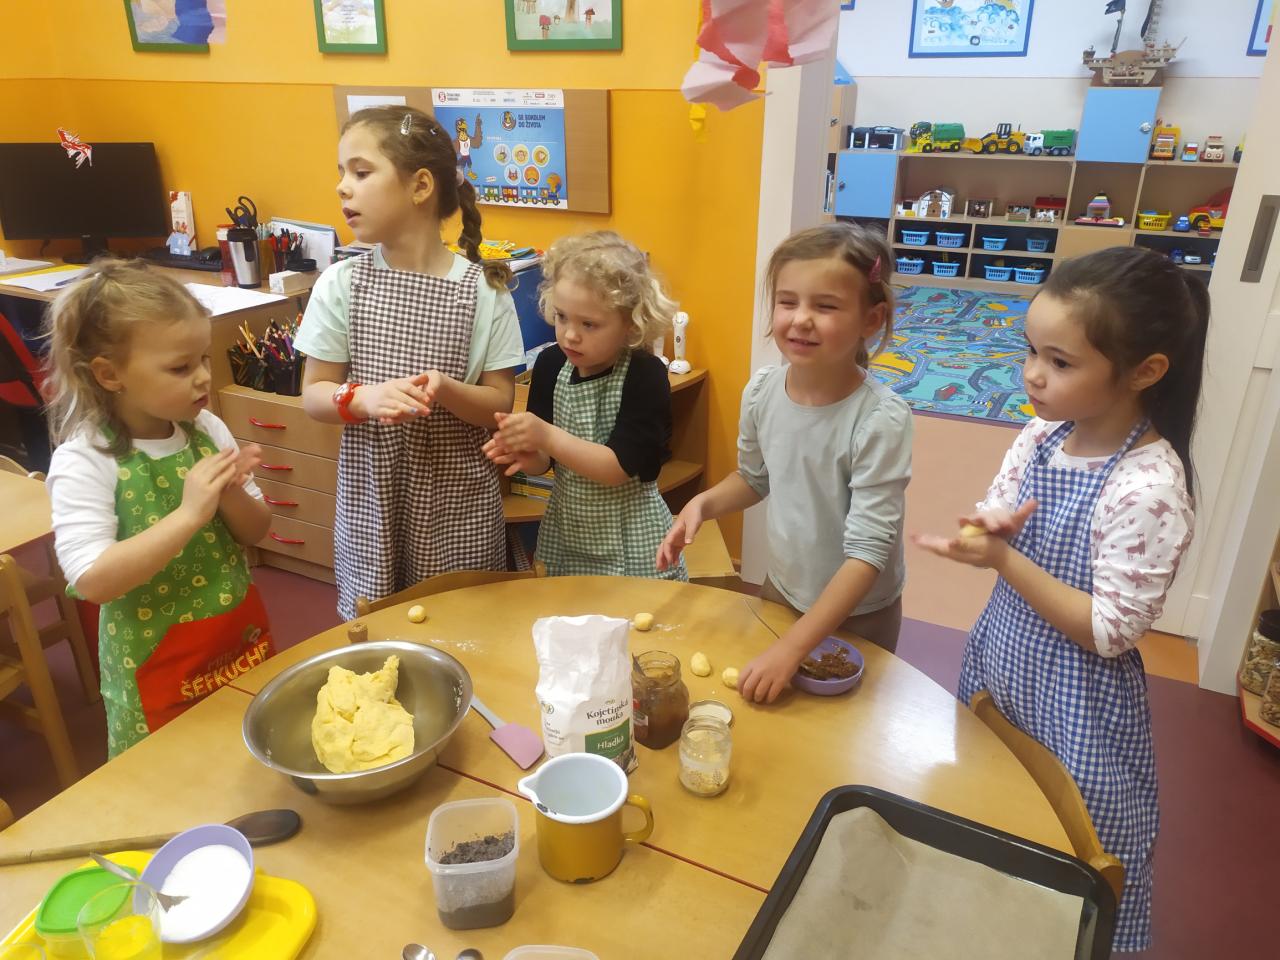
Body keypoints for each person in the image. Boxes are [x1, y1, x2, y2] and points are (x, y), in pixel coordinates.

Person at [914, 247, 1207, 952]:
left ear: (1145, 371)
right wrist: (987, 529)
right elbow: (999, 503)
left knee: (1074, 852)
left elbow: (1108, 631)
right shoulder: (1044, 435)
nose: (1032, 375)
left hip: (1078, 705)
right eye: (1030, 351)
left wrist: (1004, 558)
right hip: (1003, 661)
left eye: (1060, 362)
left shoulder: (1149, 489)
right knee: (995, 807)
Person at [657, 222, 912, 702]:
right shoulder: (762, 391)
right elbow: (754, 478)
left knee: (846, 723)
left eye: (826, 306)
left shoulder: (880, 420)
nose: (801, 319)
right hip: (783, 590)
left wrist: (794, 648)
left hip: (860, 612)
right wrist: (702, 505)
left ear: (872, 319)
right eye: (787, 301)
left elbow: (867, 554)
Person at [296, 106, 523, 618]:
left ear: (420, 186)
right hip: (373, 503)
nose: (342, 187)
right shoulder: (343, 283)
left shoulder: (485, 291)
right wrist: (362, 399)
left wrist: (446, 388)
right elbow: (314, 395)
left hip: (457, 503)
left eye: (361, 172)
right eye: (341, 173)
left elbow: (499, 405)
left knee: (463, 627)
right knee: (380, 633)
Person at [44, 259, 274, 757]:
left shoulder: (207, 430)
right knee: (175, 776)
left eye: (203, 359)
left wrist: (230, 492)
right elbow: (93, 580)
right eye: (180, 368)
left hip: (235, 640)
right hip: (155, 666)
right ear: (110, 374)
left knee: (247, 758)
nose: (203, 378)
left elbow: (256, 531)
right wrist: (189, 515)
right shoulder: (87, 458)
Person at [483, 231, 686, 580]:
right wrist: (527, 453)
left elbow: (617, 467)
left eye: (589, 324)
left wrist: (545, 436)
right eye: (562, 317)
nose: (570, 335)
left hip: (633, 541)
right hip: (567, 535)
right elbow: (544, 462)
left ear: (630, 322)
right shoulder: (550, 365)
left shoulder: (645, 374)